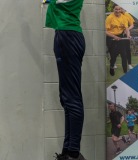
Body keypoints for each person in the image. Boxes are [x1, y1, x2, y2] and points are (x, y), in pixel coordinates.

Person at [45, 0, 86, 160]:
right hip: (66, 34)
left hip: (69, 36)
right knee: (67, 98)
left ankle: (73, 153)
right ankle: (68, 151)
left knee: (72, 98)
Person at [105, 4, 131, 76]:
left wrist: (128, 35)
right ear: (113, 9)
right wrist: (114, 36)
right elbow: (105, 31)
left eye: (119, 9)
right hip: (111, 37)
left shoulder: (124, 18)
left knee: (124, 54)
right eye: (116, 9)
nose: (118, 11)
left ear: (121, 10)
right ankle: (111, 66)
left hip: (120, 37)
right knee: (113, 56)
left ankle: (125, 72)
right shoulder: (109, 18)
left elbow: (126, 28)